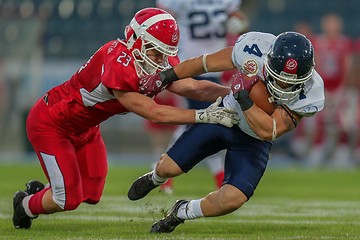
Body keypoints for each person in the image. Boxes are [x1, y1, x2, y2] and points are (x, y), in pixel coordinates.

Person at [11, 7, 240, 229]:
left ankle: (44, 192)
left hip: (86, 128)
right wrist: (205, 115)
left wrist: (233, 93)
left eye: (164, 53)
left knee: (91, 194)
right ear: (135, 40)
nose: (160, 59)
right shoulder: (118, 64)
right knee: (66, 199)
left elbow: (194, 87)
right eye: (154, 50)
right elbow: (154, 112)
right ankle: (24, 206)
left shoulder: (154, 58)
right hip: (53, 124)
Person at [127, 31, 325, 233]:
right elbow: (205, 63)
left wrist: (244, 98)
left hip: (254, 139)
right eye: (279, 79)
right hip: (224, 116)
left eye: (291, 82)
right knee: (167, 168)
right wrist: (166, 76)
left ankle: (182, 211)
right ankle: (154, 178)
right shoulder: (254, 49)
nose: (283, 86)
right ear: (268, 61)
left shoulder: (311, 94)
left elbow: (268, 131)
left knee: (233, 199)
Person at [155, 0, 249, 192]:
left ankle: (165, 173)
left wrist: (239, 24)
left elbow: (241, 22)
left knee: (204, 121)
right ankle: (166, 172)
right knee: (203, 120)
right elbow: (162, 23)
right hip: (189, 64)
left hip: (214, 66)